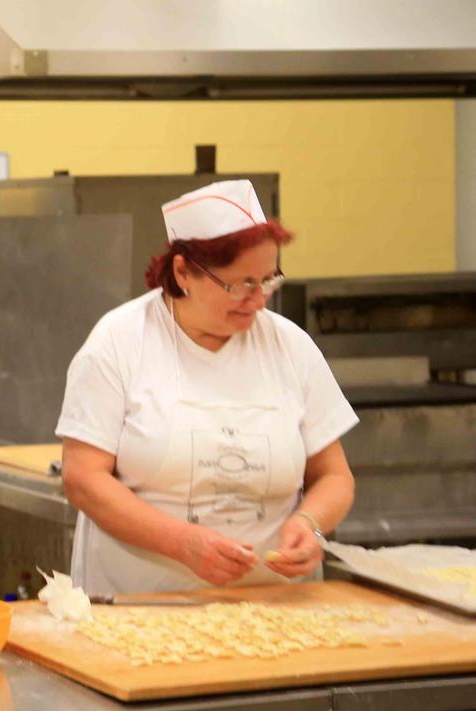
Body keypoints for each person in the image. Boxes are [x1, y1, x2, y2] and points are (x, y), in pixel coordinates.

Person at [56, 180, 357, 594]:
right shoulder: (119, 343)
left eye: (267, 280)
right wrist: (182, 543)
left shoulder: (290, 347)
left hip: (277, 609)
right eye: (239, 284)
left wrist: (309, 523)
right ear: (183, 273)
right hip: (140, 609)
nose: (257, 300)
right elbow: (83, 479)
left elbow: (335, 477)